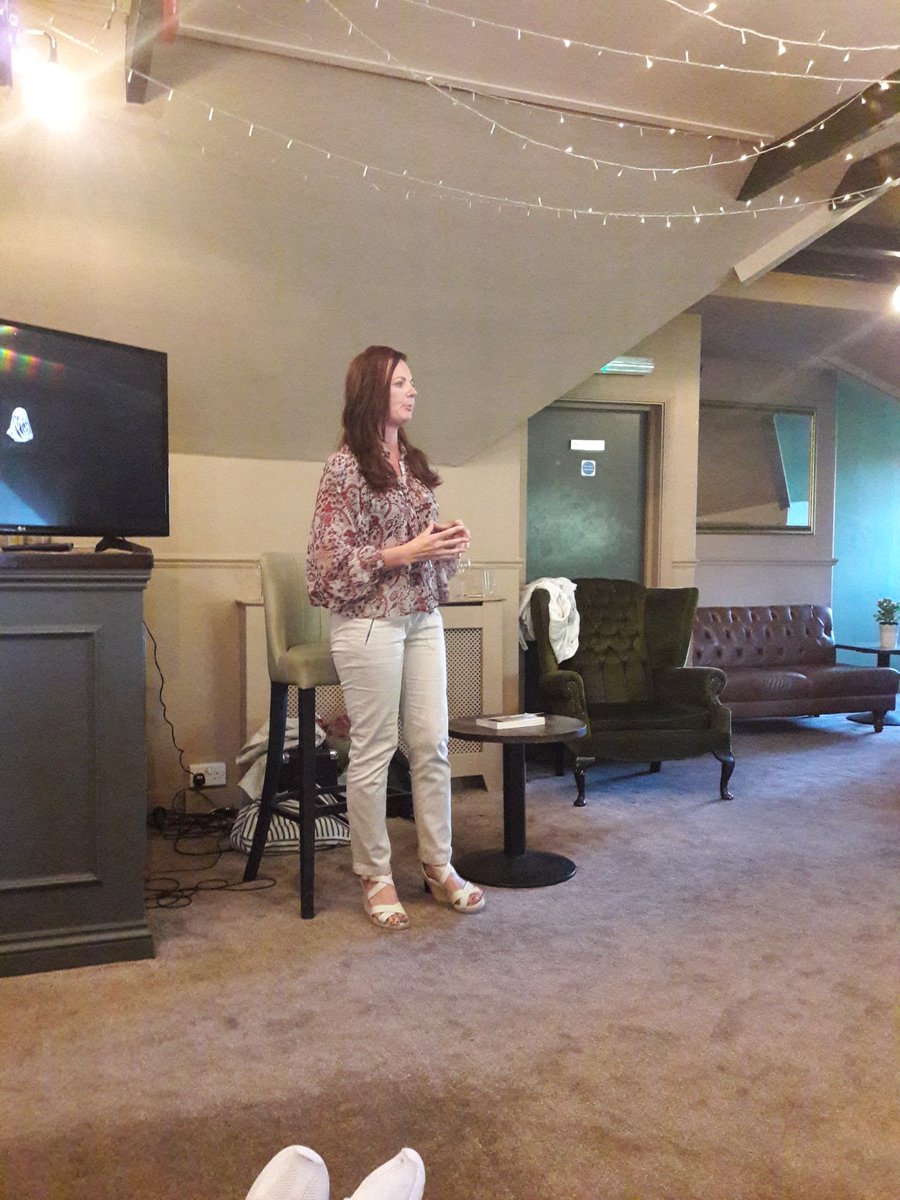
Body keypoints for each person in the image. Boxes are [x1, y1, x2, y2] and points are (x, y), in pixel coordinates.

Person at [307, 345, 486, 930]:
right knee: (375, 749)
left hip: (422, 617)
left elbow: (420, 550)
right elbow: (328, 565)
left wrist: (445, 543)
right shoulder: (343, 469)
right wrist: (406, 551)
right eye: (401, 382)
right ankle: (375, 875)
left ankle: (439, 865)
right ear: (372, 392)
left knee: (432, 743)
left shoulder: (410, 463)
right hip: (368, 623)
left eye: (412, 382)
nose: (413, 391)